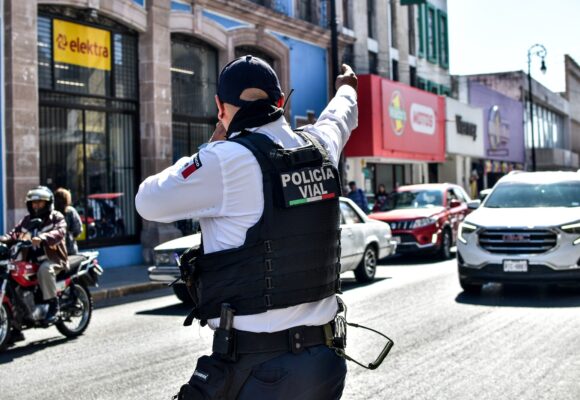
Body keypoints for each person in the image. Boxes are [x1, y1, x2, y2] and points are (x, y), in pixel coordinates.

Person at [135, 56, 358, 400]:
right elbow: (339, 116)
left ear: (220, 107)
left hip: (258, 372)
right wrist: (346, 89)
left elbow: (147, 201)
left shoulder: (224, 159)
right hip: (325, 365)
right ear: (281, 102)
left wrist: (212, 146)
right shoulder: (320, 146)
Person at [1, 186, 68, 326]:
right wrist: (3, 238)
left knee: (44, 270)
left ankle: (53, 305)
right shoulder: (27, 220)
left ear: (48, 203)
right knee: (13, 277)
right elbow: (15, 233)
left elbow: (59, 232)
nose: (36, 205)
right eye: (33, 203)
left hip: (53, 259)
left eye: (40, 202)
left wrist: (43, 237)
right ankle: (16, 325)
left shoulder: (56, 217)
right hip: (32, 261)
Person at [54, 188, 83, 255]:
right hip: (69, 249)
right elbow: (78, 229)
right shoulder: (70, 211)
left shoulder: (51, 213)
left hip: (54, 251)